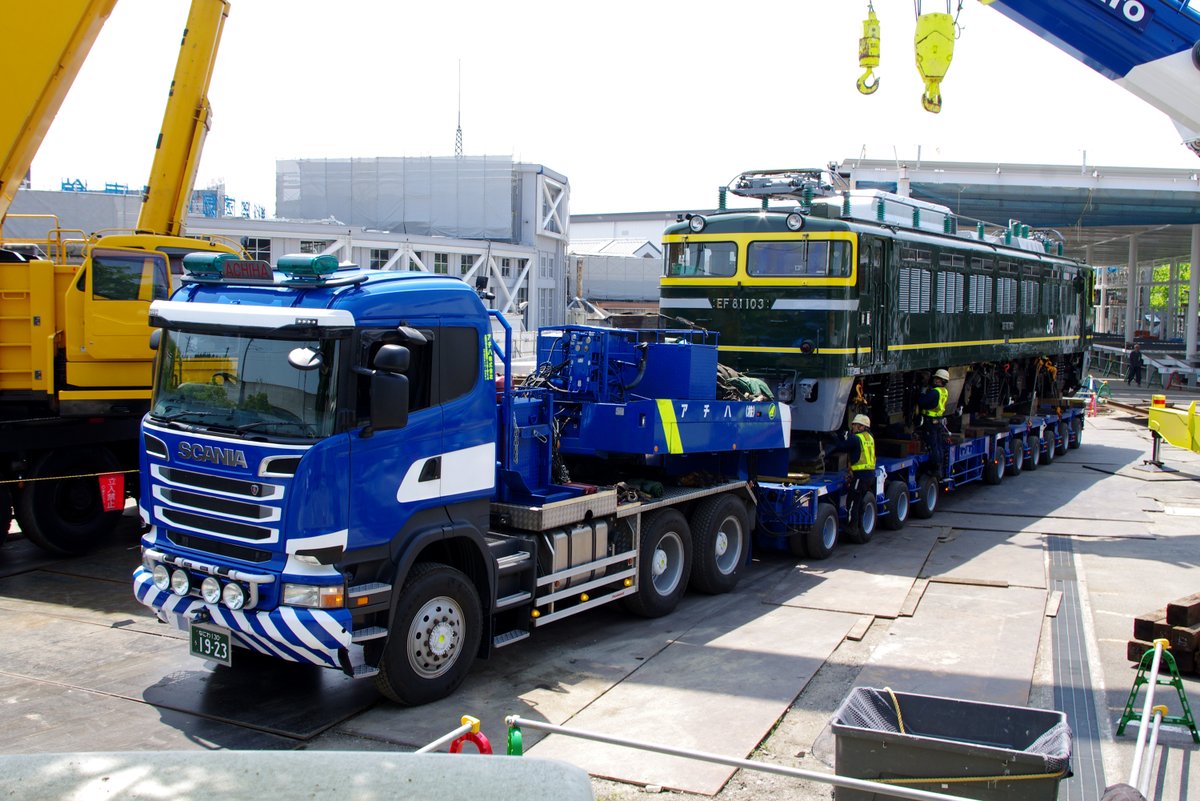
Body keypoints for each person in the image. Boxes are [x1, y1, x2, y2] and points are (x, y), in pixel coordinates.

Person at [829, 413, 876, 535]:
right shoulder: (869, 437)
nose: (852, 427)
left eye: (854, 425)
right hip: (870, 475)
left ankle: (852, 527)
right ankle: (859, 526)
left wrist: (833, 436)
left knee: (853, 502)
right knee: (860, 501)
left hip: (861, 476)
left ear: (861, 427)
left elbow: (841, 447)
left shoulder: (856, 438)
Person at [917, 369, 950, 478]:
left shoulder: (935, 392)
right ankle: (939, 467)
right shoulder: (944, 391)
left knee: (933, 445)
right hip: (938, 421)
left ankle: (935, 468)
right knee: (938, 445)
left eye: (937, 379)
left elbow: (922, 402)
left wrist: (922, 391)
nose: (935, 380)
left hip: (930, 422)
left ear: (941, 381)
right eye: (935, 378)